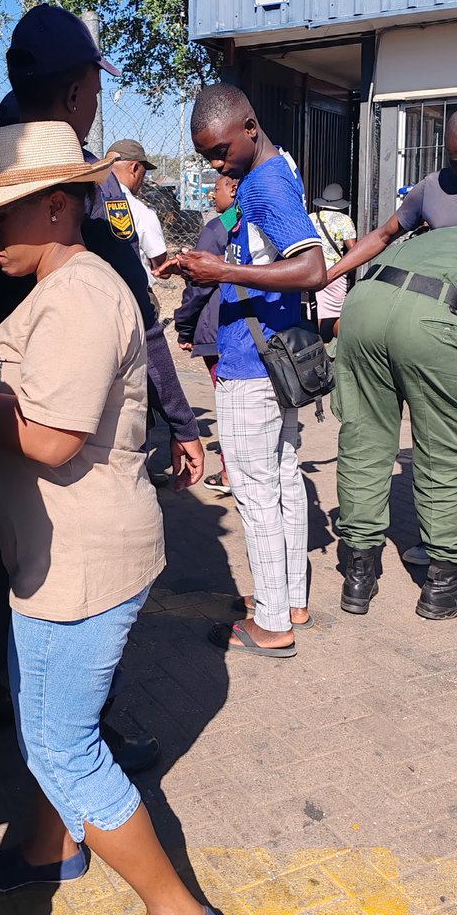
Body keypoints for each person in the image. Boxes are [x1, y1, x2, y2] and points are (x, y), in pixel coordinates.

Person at [0, 119, 225, 915]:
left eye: (4, 215)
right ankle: (45, 845)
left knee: (63, 744)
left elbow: (53, 438)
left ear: (60, 207)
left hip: (82, 562)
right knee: (42, 717)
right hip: (57, 557)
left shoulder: (78, 294)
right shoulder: (60, 285)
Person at [0, 5, 203, 756]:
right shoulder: (77, 187)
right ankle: (77, 738)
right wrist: (181, 419)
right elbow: (139, 319)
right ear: (79, 92)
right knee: (64, 578)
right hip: (54, 426)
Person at [157, 83, 325, 656]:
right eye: (205, 155)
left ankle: (271, 622)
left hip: (252, 364)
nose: (213, 164)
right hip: (271, 358)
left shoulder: (265, 182)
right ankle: (289, 598)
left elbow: (312, 269)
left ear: (250, 127)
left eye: (219, 150)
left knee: (255, 492)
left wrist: (222, 274)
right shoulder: (278, 170)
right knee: (280, 480)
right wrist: (211, 268)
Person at [324, 107, 457, 579]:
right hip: (441, 333)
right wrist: (329, 275)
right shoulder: (431, 188)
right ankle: (437, 547)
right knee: (438, 439)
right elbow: (385, 234)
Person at [333, 225, 457, 619]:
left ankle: (358, 576)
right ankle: (443, 586)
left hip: (363, 305)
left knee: (363, 442)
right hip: (437, 318)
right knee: (445, 454)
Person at [174, 172, 240, 494]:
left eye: (215, 189)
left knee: (227, 404)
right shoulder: (255, 222)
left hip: (219, 333)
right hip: (254, 333)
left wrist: (184, 327)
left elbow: (198, 288)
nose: (212, 196)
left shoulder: (217, 229)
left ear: (233, 188)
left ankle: (230, 474)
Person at [106, 137, 168, 284]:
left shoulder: (89, 203)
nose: (142, 179)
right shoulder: (141, 211)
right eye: (143, 173)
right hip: (136, 296)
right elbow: (163, 270)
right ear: (134, 168)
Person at [308, 182, 356, 340]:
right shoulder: (345, 221)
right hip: (336, 272)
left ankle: (316, 343)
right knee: (337, 311)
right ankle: (342, 344)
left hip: (313, 270)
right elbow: (353, 249)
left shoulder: (311, 218)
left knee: (317, 309)